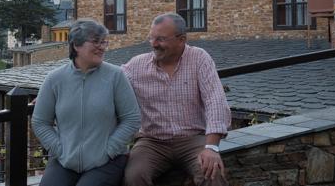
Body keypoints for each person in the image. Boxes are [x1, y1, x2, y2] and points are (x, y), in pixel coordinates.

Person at [122, 13, 231, 186]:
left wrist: (211, 147)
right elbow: (111, 85)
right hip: (152, 142)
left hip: (193, 139)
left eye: (161, 39)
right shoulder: (136, 65)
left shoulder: (199, 58)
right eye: (151, 38)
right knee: (133, 177)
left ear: (181, 39)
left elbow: (215, 100)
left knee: (212, 174)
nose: (154, 44)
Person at [32, 19, 141, 186]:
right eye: (95, 42)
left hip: (107, 161)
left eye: (104, 42)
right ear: (76, 45)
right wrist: (59, 150)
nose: (102, 47)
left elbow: (132, 119)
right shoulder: (54, 79)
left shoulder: (116, 76)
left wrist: (109, 150)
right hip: (65, 160)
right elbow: (40, 122)